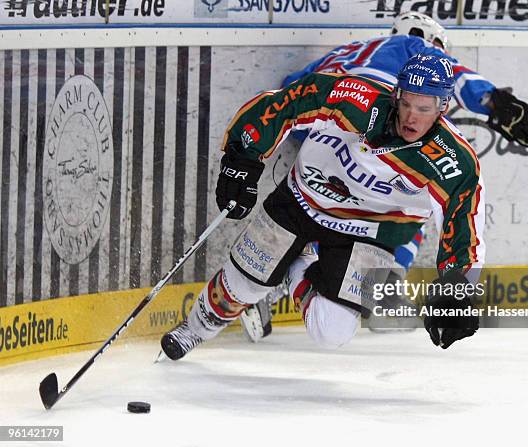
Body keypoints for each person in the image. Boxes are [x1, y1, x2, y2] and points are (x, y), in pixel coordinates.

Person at [160, 51, 486, 360]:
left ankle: (295, 268)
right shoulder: (355, 97)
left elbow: (464, 231)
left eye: (424, 108)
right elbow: (286, 103)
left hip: (374, 234)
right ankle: (194, 329)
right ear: (397, 95)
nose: (412, 117)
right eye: (407, 103)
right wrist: (242, 156)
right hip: (303, 201)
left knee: (332, 332)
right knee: (243, 284)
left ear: (442, 107)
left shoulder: (455, 162)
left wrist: (457, 291)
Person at [238, 11, 528, 341]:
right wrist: (497, 102)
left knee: (326, 211)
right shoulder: (415, 49)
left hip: (320, 135)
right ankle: (387, 279)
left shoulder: (349, 51)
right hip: (369, 139)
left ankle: (273, 284)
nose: (441, 55)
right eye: (439, 46)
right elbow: (462, 80)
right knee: (410, 200)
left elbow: (293, 86)